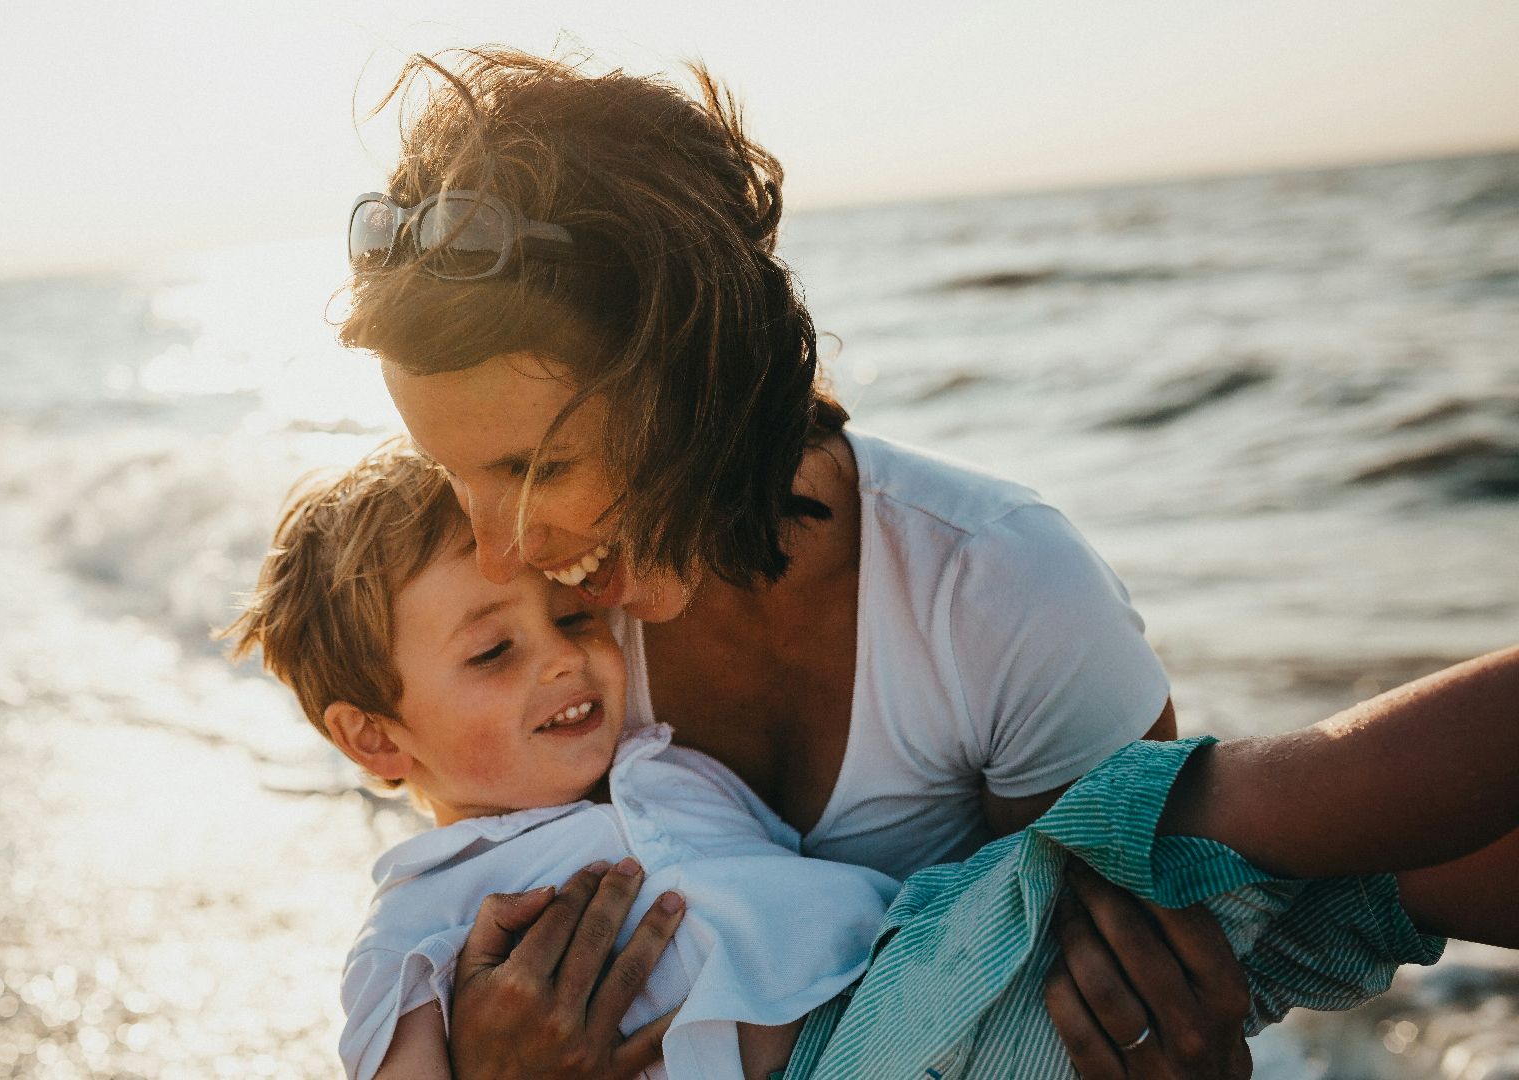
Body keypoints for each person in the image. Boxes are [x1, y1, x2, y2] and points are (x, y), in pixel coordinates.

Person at [337, 46, 1232, 1079]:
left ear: (699, 381)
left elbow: (1137, 992)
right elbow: (450, 913)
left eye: (537, 466)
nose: (501, 548)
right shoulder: (538, 638)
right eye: (452, 473)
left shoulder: (997, 593)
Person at [222, 443, 1519, 1080]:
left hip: (942, 991)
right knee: (1196, 817)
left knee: (1376, 890)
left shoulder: (666, 767)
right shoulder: (425, 917)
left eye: (570, 617)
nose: (566, 662)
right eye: (491, 656)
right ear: (376, 739)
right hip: (875, 1048)